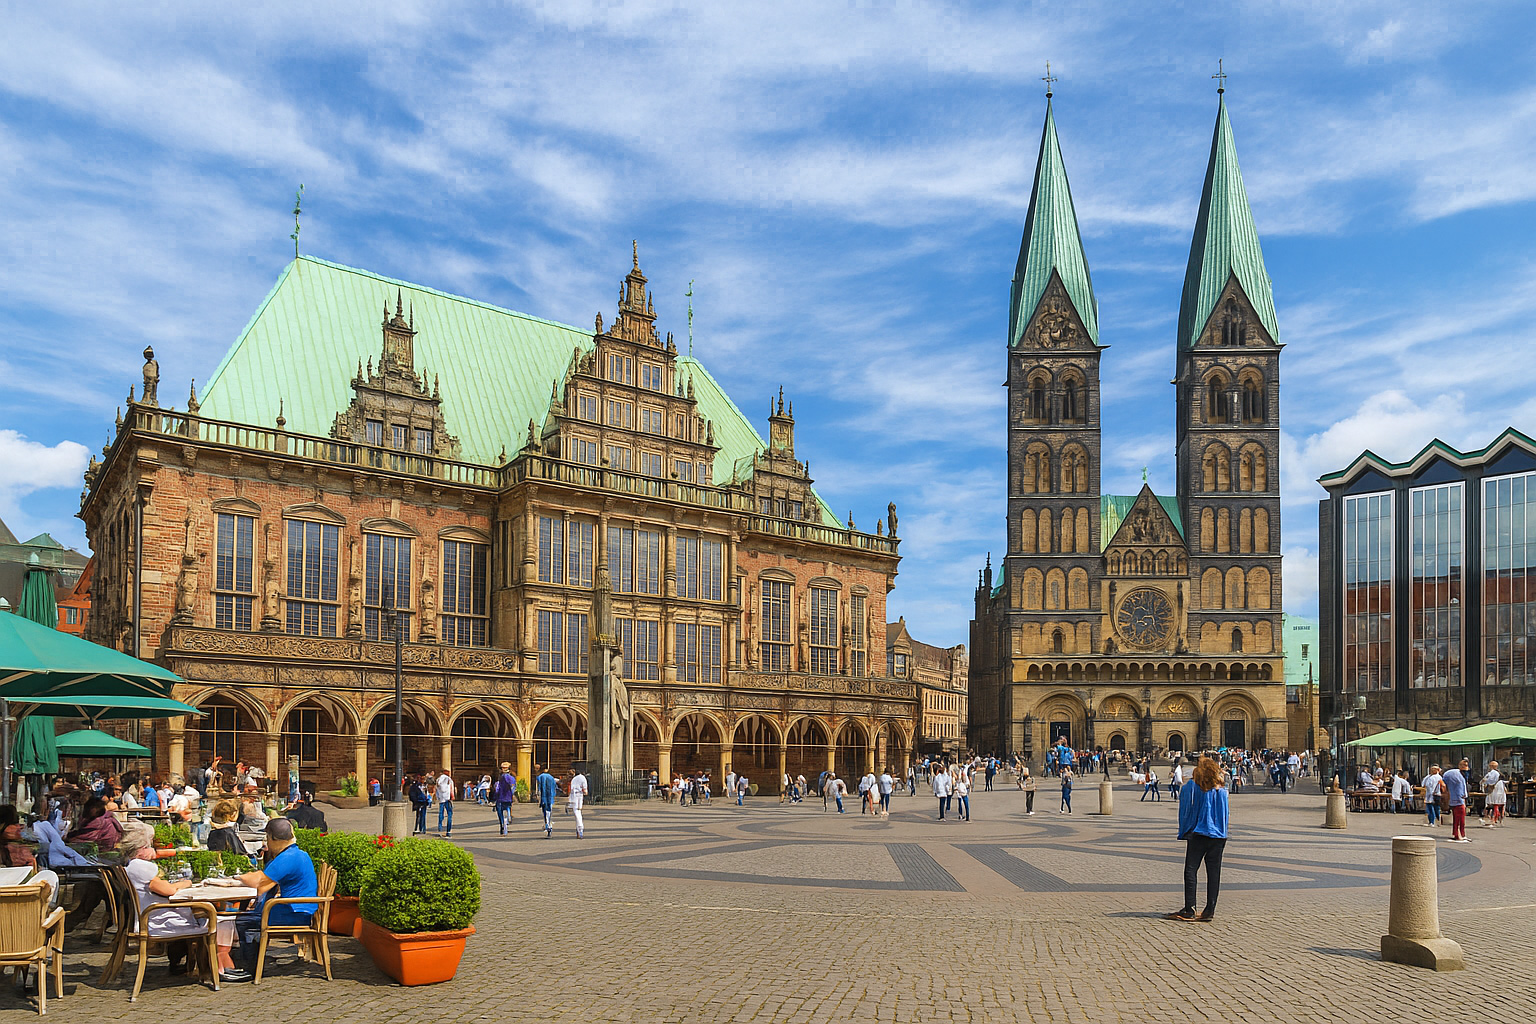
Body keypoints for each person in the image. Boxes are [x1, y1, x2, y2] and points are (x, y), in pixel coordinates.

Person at [229, 817, 318, 982]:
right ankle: (251, 962)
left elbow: (259, 882)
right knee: (245, 917)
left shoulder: (288, 857)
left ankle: (250, 969)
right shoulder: (295, 853)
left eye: (267, 838)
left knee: (244, 922)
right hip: (300, 909)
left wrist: (237, 877)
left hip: (297, 913)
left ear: (273, 839)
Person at [1169, 757, 1230, 923]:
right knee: (1214, 873)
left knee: (1190, 870)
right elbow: (1226, 815)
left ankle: (1190, 909)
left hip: (1200, 833)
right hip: (1219, 836)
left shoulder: (1193, 787)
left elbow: (1186, 809)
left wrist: (1185, 830)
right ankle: (1210, 910)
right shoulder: (1223, 790)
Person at [1443, 759, 1471, 842]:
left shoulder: (1459, 775)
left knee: (1459, 818)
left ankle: (1459, 833)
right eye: (1464, 765)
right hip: (1457, 799)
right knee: (1459, 818)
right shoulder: (1454, 774)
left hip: (1458, 798)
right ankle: (1458, 834)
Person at [492, 762, 517, 836]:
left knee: (500, 812)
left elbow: (497, 789)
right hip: (508, 797)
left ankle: (502, 825)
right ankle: (509, 816)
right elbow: (513, 787)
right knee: (508, 807)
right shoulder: (512, 778)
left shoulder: (500, 779)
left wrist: (494, 798)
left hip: (500, 798)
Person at [535, 764, 559, 838]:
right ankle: (549, 825)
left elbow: (538, 788)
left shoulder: (539, 777)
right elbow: (555, 787)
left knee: (544, 811)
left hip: (543, 797)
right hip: (550, 797)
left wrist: (537, 795)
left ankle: (547, 824)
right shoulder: (551, 778)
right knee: (549, 811)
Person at [1482, 761, 1506, 827]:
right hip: (1499, 789)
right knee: (1497, 804)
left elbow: (1490, 781)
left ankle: (1492, 820)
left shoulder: (1493, 773)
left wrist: (1484, 782)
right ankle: (1495, 819)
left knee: (1493, 804)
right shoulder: (1497, 773)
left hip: (1495, 790)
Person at [568, 769, 588, 839]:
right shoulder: (583, 778)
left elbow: (571, 789)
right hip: (580, 796)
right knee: (579, 811)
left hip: (574, 797)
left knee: (577, 812)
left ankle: (580, 829)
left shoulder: (574, 779)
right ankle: (579, 830)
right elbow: (585, 790)